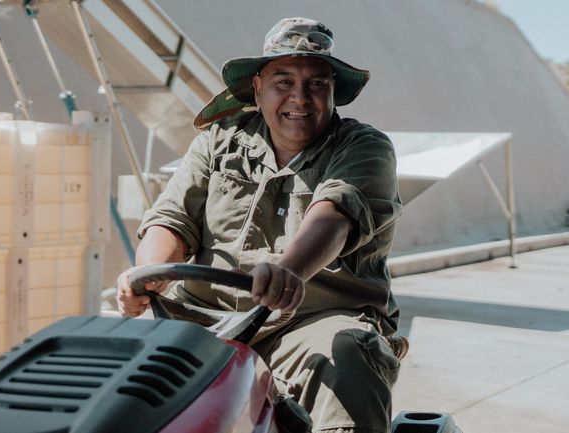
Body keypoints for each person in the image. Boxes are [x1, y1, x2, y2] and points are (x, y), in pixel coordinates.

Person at [118, 17, 405, 433]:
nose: (299, 97)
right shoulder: (218, 140)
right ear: (257, 88)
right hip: (200, 316)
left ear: (332, 92)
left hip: (308, 320)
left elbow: (335, 214)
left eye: (316, 83)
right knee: (111, 369)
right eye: (283, 81)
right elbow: (172, 218)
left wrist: (289, 271)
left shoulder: (364, 147)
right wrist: (148, 274)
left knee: (347, 354)